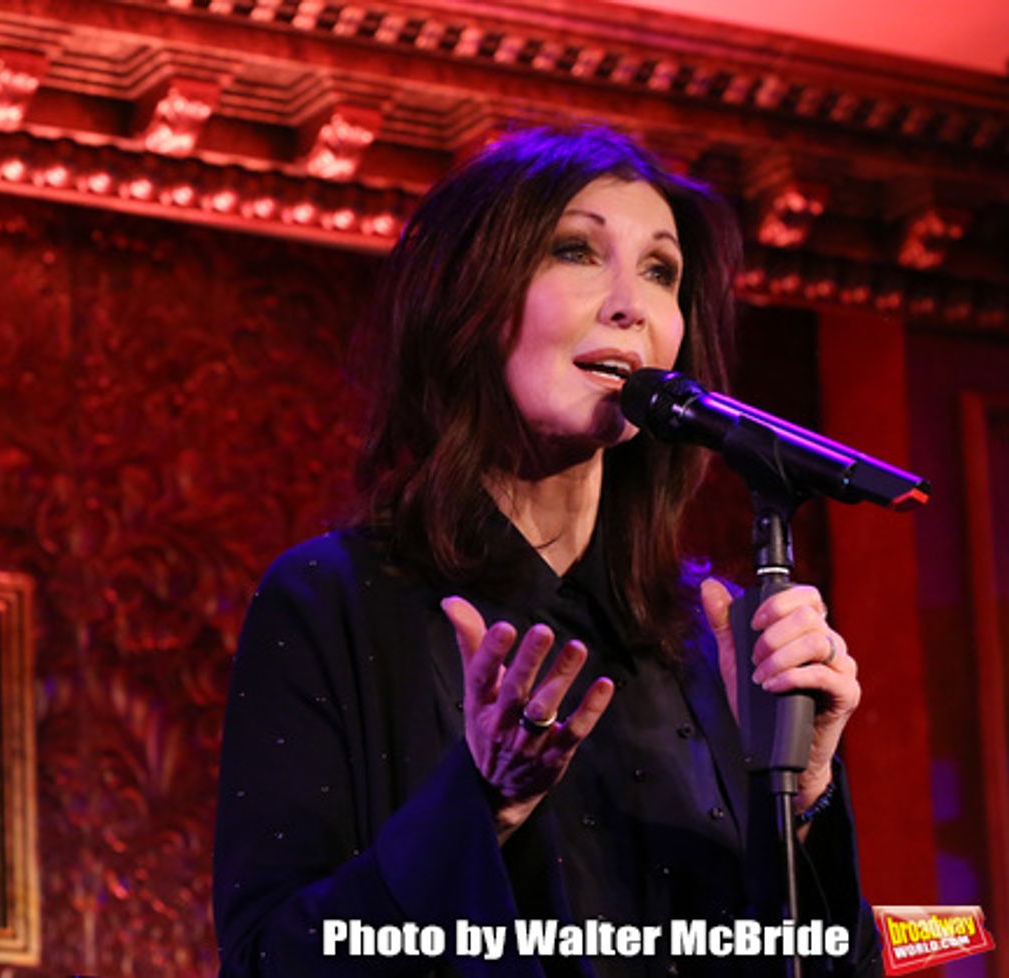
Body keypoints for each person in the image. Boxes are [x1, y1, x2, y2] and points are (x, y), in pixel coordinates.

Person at [213, 126, 881, 978]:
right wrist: (480, 803)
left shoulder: (707, 642)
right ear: (473, 300)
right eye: (576, 250)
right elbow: (270, 961)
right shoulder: (335, 598)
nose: (629, 304)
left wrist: (804, 794)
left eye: (660, 270)